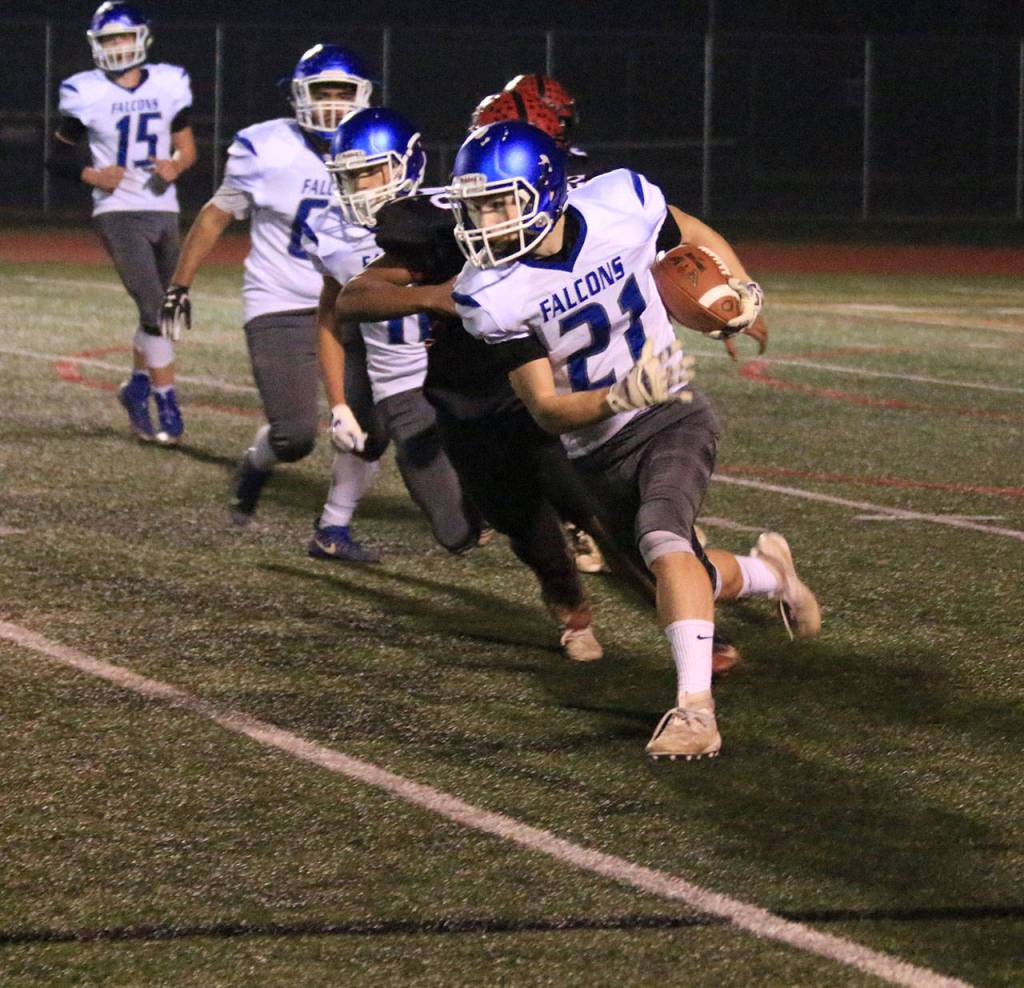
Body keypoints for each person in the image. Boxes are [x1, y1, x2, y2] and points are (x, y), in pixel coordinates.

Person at [447, 122, 821, 759]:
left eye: (498, 202)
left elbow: (689, 231)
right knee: (684, 567)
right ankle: (770, 573)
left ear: (543, 190)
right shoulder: (490, 294)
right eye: (476, 206)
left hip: (674, 414)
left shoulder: (620, 203)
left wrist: (738, 287)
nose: (485, 220)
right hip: (594, 448)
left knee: (663, 538)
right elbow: (546, 410)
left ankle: (694, 711)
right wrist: (619, 395)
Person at [157, 44, 379, 559]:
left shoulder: (375, 148)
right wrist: (179, 285)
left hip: (356, 303)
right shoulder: (264, 146)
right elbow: (216, 214)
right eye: (319, 93)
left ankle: (334, 527)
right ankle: (257, 461)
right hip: (281, 302)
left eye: (341, 93)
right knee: (296, 437)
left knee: (373, 424)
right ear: (298, 96)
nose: (330, 106)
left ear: (363, 97)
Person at [303, 107, 483, 556]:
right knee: (460, 533)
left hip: (467, 371)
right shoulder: (334, 234)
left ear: (408, 164)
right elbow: (331, 319)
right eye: (351, 177)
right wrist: (338, 404)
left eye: (371, 172)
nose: (360, 187)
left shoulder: (449, 213)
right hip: (403, 386)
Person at [47, 1, 196, 445]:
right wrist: (92, 174)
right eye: (109, 39)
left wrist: (177, 166)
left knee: (160, 313)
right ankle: (165, 398)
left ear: (141, 38)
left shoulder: (170, 82)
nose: (117, 46)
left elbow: (188, 148)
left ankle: (136, 387)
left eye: (123, 37)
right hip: (116, 211)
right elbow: (56, 156)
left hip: (163, 207)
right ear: (97, 45)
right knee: (155, 309)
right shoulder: (85, 91)